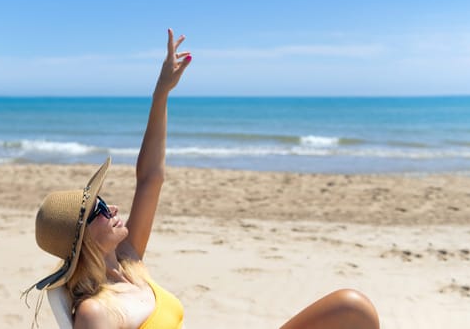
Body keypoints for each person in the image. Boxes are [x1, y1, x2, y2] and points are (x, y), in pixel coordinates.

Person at [25, 29, 380, 329]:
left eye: (103, 201)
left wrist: (161, 92)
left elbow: (150, 177)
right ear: (82, 239)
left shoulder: (130, 262)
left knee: (352, 306)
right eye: (98, 209)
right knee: (352, 307)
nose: (111, 207)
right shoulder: (94, 311)